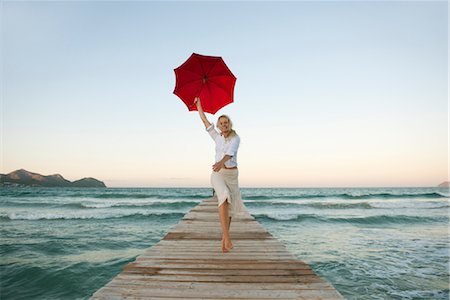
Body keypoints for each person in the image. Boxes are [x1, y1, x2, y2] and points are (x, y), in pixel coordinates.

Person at [194, 97, 247, 253]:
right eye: (221, 123)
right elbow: (204, 121)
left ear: (229, 125)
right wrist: (199, 105)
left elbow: (230, 154)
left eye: (226, 122)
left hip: (232, 175)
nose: (224, 125)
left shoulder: (235, 138)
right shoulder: (217, 137)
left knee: (229, 208)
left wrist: (221, 161)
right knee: (223, 196)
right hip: (217, 173)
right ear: (218, 125)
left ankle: (224, 239)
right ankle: (227, 237)